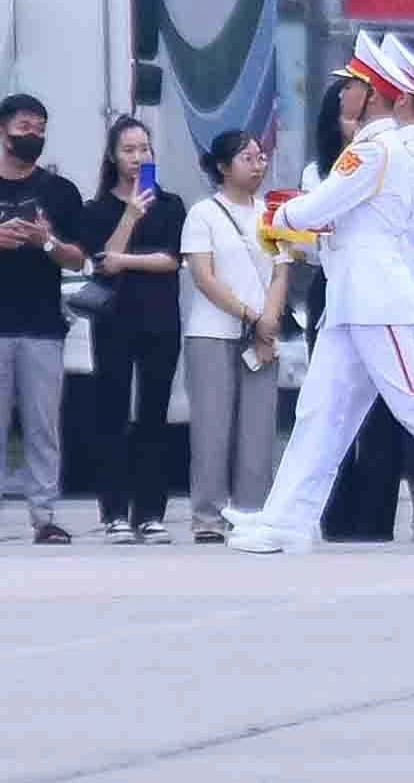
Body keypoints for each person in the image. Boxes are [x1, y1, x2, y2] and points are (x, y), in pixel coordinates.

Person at [231, 36, 414, 554]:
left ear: (372, 94)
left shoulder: (375, 150)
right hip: (360, 298)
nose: (344, 93)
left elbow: (315, 208)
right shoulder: (408, 150)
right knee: (321, 410)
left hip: (377, 297)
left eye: (352, 84)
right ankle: (287, 519)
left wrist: (276, 216)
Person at [0, 90, 88, 545]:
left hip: (43, 325)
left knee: (43, 426)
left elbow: (78, 259)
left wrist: (45, 241)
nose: (33, 136)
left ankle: (45, 516)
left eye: (40, 129)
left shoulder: (59, 192)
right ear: (1, 131)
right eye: (25, 127)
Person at [67, 113, 185, 541]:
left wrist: (129, 262)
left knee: (154, 415)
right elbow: (102, 261)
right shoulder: (96, 209)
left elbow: (171, 259)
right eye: (129, 150)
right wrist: (131, 215)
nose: (138, 158)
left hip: (160, 321)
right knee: (112, 413)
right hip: (114, 320)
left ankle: (151, 511)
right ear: (114, 158)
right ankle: (114, 511)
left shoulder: (171, 206)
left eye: (144, 149)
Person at [179, 128, 291, 544]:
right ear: (223, 167)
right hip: (213, 333)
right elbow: (204, 278)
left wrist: (270, 320)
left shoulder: (272, 215)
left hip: (262, 335)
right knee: (212, 426)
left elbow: (281, 271)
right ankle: (207, 515)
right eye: (247, 157)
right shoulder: (204, 214)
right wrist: (251, 315)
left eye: (260, 157)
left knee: (258, 429)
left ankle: (251, 512)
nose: (257, 164)